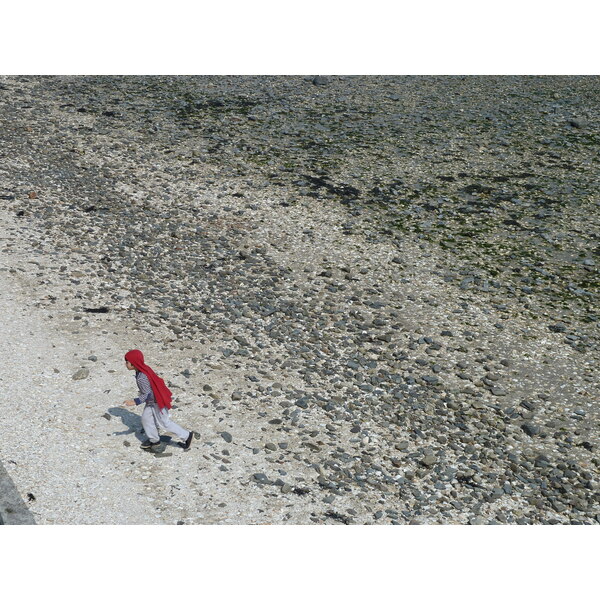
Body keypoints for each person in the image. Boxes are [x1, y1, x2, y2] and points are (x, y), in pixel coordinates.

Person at [123, 349, 193, 452]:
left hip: (157, 402)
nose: (125, 364)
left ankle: (187, 436)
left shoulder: (141, 377)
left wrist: (135, 401)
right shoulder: (143, 370)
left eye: (127, 362)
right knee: (146, 419)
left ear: (133, 364)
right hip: (152, 402)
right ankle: (154, 440)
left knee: (164, 423)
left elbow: (147, 394)